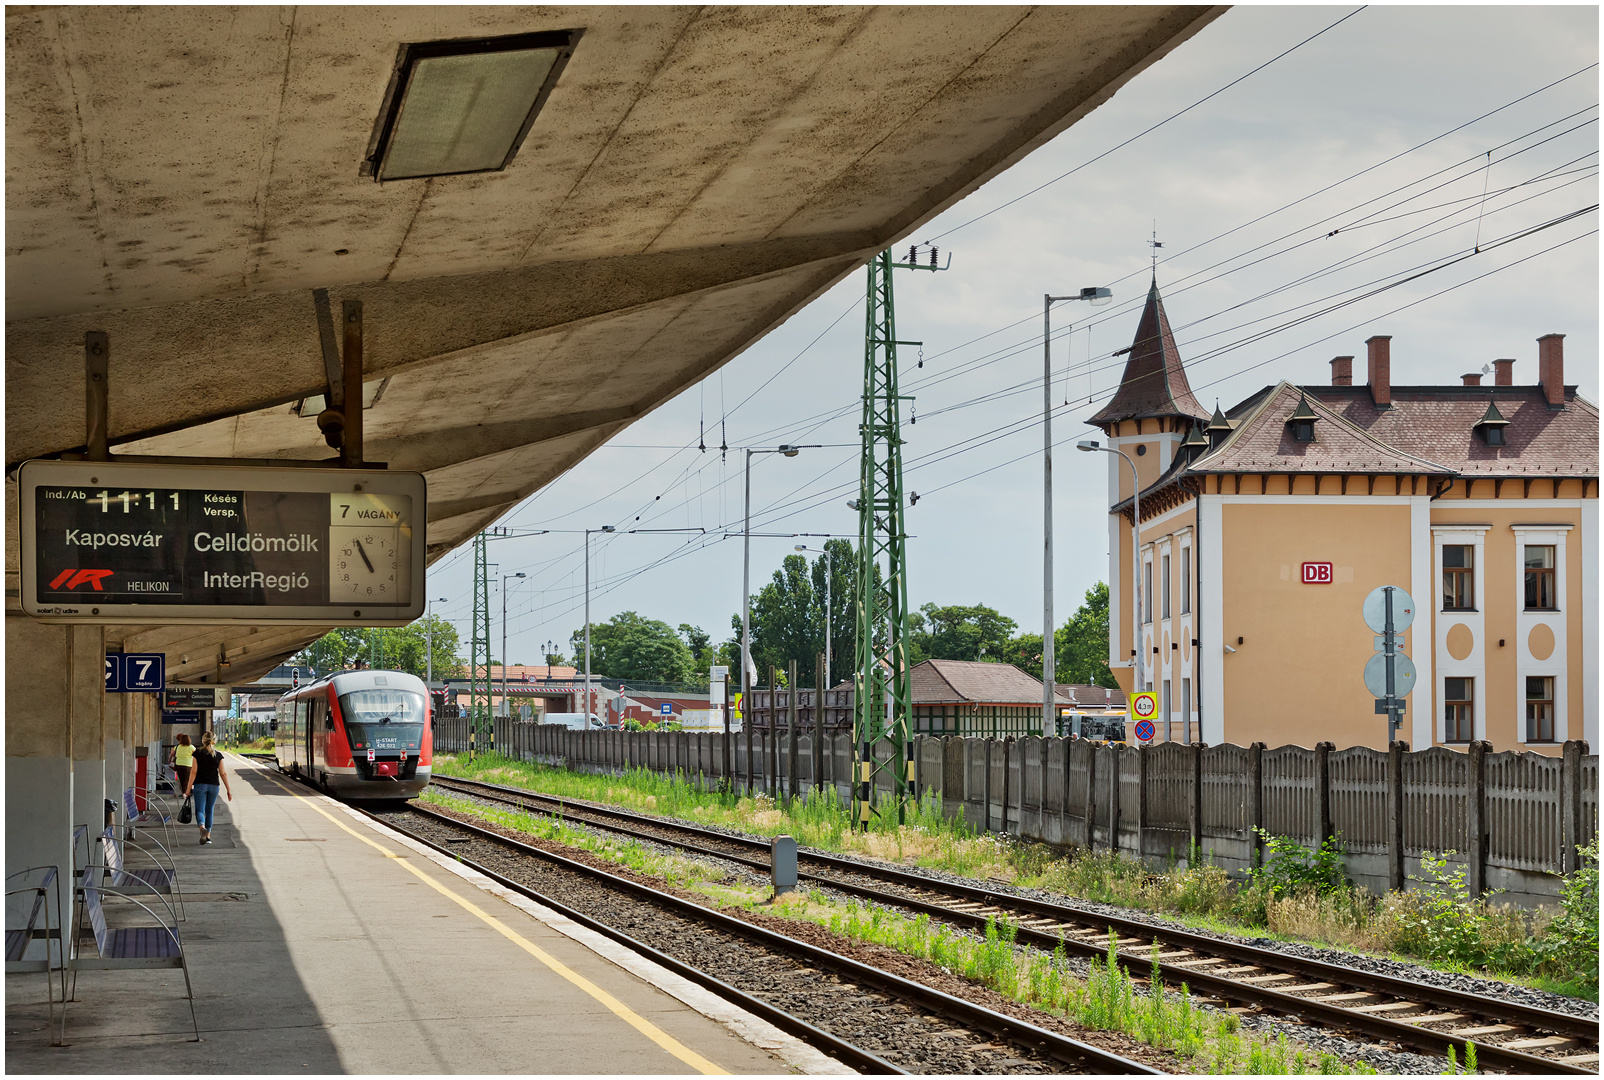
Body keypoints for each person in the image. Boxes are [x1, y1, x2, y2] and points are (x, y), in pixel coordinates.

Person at [183, 731, 232, 845]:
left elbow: (193, 772)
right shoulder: (218, 755)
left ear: (203, 741)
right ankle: (208, 837)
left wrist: (188, 789)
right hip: (214, 786)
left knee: (200, 810)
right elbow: (223, 773)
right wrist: (228, 790)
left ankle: (202, 827)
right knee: (209, 810)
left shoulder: (197, 753)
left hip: (200, 785)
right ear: (214, 741)